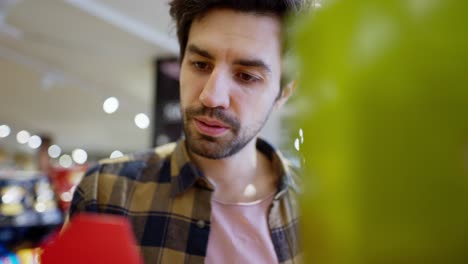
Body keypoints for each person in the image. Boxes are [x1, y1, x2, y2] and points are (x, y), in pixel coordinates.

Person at [70, 1, 307, 263]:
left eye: (246, 76)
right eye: (200, 65)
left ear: (283, 93)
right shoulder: (107, 191)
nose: (211, 96)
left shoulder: (321, 211)